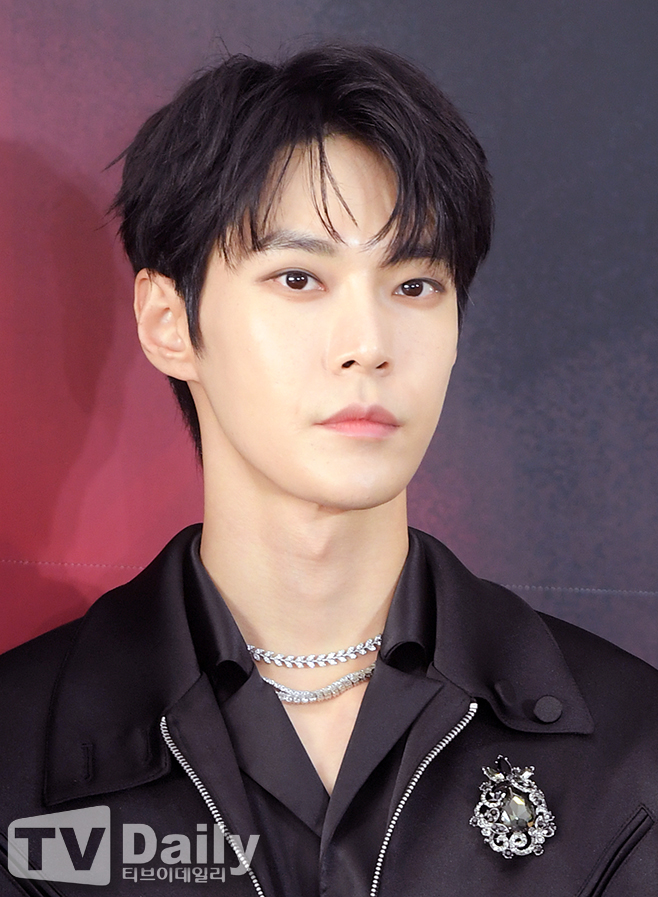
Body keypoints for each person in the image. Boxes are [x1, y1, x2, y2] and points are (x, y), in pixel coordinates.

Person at [1, 44, 657, 897]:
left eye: (414, 285)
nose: (368, 345)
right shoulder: (19, 752)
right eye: (299, 277)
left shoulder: (628, 746)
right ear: (169, 321)